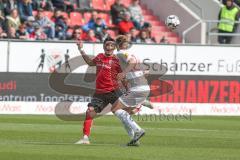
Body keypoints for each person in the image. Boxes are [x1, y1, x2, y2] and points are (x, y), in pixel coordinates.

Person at [75, 37, 145, 146]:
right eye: (107, 45)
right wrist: (81, 49)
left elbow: (123, 77)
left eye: (112, 45)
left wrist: (128, 90)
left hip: (114, 91)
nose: (109, 47)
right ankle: (85, 138)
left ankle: (134, 138)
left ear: (115, 47)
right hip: (100, 92)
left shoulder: (118, 60)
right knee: (90, 111)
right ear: (104, 46)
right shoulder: (99, 57)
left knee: (124, 113)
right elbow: (89, 62)